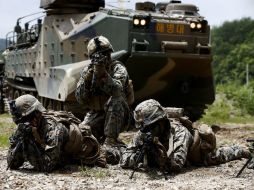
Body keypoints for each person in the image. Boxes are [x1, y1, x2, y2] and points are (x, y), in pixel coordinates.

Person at [120, 99, 253, 172]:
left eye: (150, 127)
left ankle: (247, 149)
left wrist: (157, 156)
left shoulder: (178, 132)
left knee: (218, 156)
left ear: (160, 123)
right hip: (168, 155)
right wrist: (142, 157)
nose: (145, 131)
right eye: (144, 128)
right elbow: (124, 159)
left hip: (197, 155)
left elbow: (177, 164)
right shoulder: (144, 132)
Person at [7, 95, 106, 172]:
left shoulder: (54, 129)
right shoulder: (27, 127)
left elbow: (47, 165)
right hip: (63, 153)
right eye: (20, 122)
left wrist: (27, 146)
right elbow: (12, 163)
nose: (23, 123)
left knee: (110, 155)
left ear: (37, 114)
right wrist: (19, 139)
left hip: (85, 150)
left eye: (27, 119)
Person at [75, 36, 134, 147]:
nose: (104, 57)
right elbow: (80, 99)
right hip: (97, 114)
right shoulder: (87, 71)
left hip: (120, 115)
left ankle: (110, 141)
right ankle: (100, 137)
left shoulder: (118, 68)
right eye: (98, 55)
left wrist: (104, 76)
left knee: (116, 99)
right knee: (82, 136)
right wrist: (87, 79)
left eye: (106, 54)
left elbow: (117, 90)